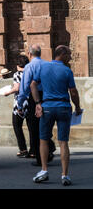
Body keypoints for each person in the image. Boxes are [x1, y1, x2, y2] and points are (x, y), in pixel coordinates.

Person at [31, 45, 82, 186]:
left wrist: (37, 103)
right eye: (69, 54)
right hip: (64, 107)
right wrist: (77, 107)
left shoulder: (43, 68)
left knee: (43, 140)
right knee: (63, 142)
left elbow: (33, 85)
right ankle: (65, 175)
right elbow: (73, 92)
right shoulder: (67, 71)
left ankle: (44, 170)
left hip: (47, 107)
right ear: (62, 54)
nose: (70, 57)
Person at [17, 45, 55, 164]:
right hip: (48, 96)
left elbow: (24, 87)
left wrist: (19, 104)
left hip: (35, 97)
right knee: (46, 125)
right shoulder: (48, 65)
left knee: (34, 128)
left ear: (29, 54)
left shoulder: (29, 67)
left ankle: (40, 158)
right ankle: (49, 147)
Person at [4, 55, 31, 157]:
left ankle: (23, 149)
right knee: (31, 127)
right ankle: (33, 150)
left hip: (20, 103)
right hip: (30, 102)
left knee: (17, 126)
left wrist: (8, 92)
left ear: (18, 65)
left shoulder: (17, 74)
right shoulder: (30, 73)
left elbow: (17, 88)